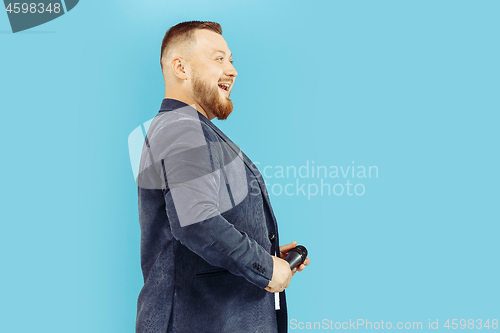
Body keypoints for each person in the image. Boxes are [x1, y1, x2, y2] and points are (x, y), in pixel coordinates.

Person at [135, 21, 309, 333]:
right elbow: (196, 221)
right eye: (218, 59)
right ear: (181, 68)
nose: (232, 70)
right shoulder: (181, 128)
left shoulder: (190, 129)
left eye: (231, 60)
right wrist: (266, 268)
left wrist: (263, 252)